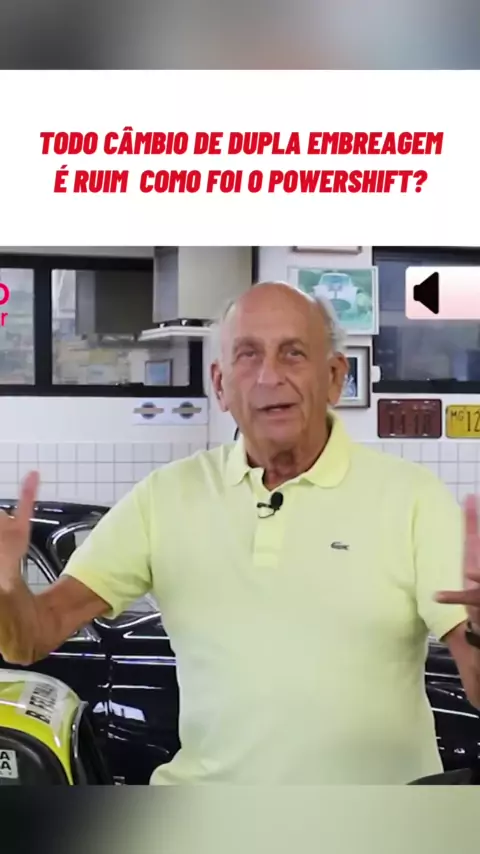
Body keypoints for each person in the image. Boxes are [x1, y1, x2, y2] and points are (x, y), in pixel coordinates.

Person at [0, 281, 480, 785]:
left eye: (293, 353)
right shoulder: (164, 497)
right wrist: (9, 589)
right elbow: (29, 640)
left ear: (335, 377)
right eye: (248, 355)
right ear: (220, 384)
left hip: (377, 819)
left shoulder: (413, 498)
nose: (270, 376)